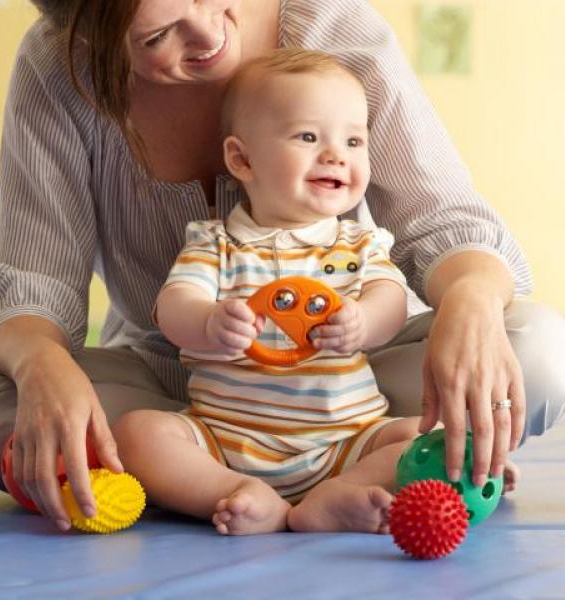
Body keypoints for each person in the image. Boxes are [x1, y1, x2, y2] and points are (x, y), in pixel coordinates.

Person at [0, 0, 565, 533]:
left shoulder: (328, 24)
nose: (210, 34)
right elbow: (26, 278)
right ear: (88, 39)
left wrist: (469, 304)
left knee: (538, 352)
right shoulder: (60, 69)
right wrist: (43, 366)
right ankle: (238, 474)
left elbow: (443, 219)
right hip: (171, 383)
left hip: (351, 379)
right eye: (158, 36)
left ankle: (260, 477)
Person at [114, 48, 421, 535]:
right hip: (224, 441)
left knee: (428, 437)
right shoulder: (216, 244)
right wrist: (209, 322)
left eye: (354, 140)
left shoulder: (359, 244)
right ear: (242, 159)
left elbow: (391, 300)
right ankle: (236, 493)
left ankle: (335, 495)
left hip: (348, 441)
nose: (336, 155)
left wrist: (363, 321)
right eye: (308, 137)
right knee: (136, 434)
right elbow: (174, 306)